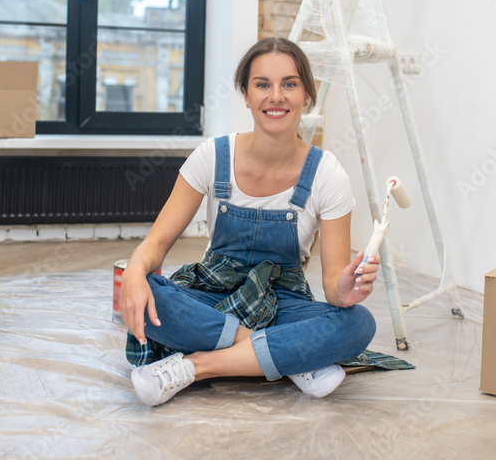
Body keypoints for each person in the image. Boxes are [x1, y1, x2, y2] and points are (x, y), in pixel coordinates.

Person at [119, 37, 379, 406]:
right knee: (149, 289)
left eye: (289, 84)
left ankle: (195, 367)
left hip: (281, 302)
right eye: (262, 84)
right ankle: (287, 357)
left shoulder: (328, 174)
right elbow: (156, 244)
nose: (276, 96)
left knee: (358, 323)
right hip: (211, 297)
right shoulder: (212, 156)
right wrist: (133, 272)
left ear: (306, 95)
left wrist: (347, 290)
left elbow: (335, 289)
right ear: (245, 93)